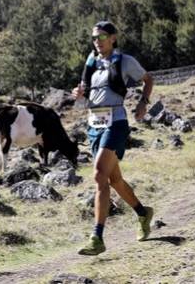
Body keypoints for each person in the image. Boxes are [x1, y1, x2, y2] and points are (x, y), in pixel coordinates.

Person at [72, 20, 155, 256]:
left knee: (99, 174)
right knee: (114, 180)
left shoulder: (125, 61)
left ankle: (97, 237)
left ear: (113, 38)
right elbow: (83, 92)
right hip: (94, 124)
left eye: (101, 37)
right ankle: (142, 212)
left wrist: (143, 103)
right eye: (93, 38)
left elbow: (148, 79)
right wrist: (77, 93)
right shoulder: (91, 64)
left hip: (116, 122)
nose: (96, 41)